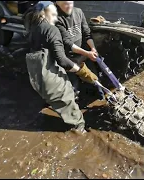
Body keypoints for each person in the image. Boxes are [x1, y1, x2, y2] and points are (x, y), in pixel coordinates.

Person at [23, 1, 98, 133]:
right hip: (50, 74)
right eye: (53, 13)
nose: (55, 16)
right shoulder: (52, 30)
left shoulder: (33, 26)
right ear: (45, 13)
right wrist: (83, 72)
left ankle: (50, 108)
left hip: (36, 73)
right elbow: (62, 60)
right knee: (67, 99)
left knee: (50, 96)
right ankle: (79, 130)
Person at [55, 1, 99, 99]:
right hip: (68, 59)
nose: (69, 6)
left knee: (95, 80)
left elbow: (87, 33)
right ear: (58, 3)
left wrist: (93, 48)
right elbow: (68, 44)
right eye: (65, 4)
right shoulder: (56, 19)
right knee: (73, 91)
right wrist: (88, 54)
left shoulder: (78, 12)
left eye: (70, 3)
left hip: (82, 55)